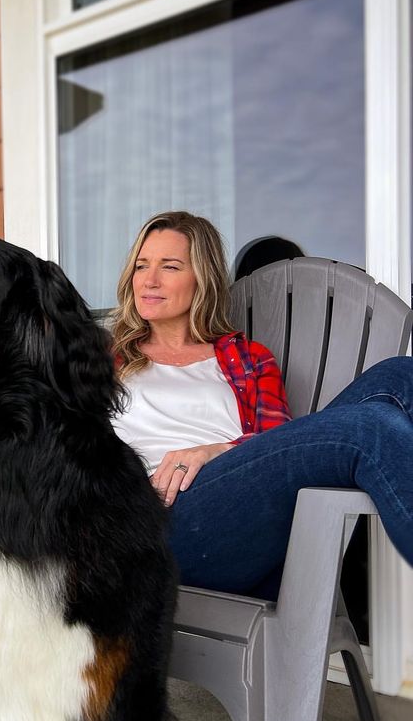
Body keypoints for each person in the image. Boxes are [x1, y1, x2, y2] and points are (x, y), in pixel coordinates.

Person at [110, 210, 413, 596]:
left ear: (201, 277)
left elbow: (278, 446)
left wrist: (216, 450)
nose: (148, 281)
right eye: (141, 266)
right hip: (161, 523)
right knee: (370, 427)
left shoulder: (248, 358)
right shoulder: (103, 361)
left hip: (245, 517)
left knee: (402, 374)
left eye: (169, 267)